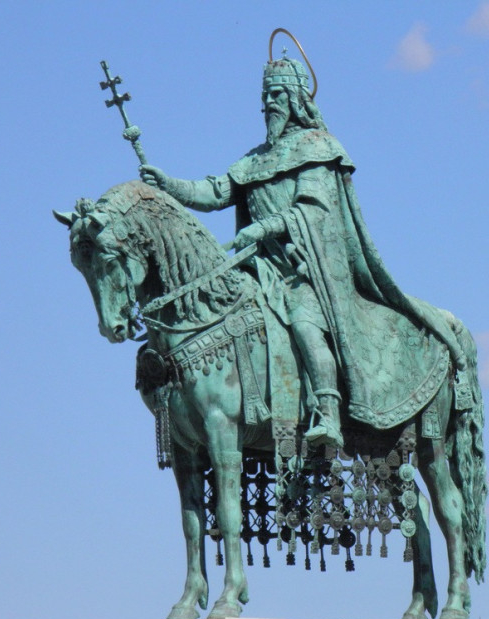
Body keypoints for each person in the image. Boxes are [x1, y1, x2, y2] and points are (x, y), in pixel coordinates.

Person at [140, 55, 466, 447]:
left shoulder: (317, 147)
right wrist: (168, 184)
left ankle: (327, 412)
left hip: (303, 272)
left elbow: (312, 210)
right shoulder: (254, 159)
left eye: (277, 94)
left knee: (305, 324)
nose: (269, 103)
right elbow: (214, 191)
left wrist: (263, 227)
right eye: (265, 96)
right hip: (257, 271)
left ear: (296, 98)